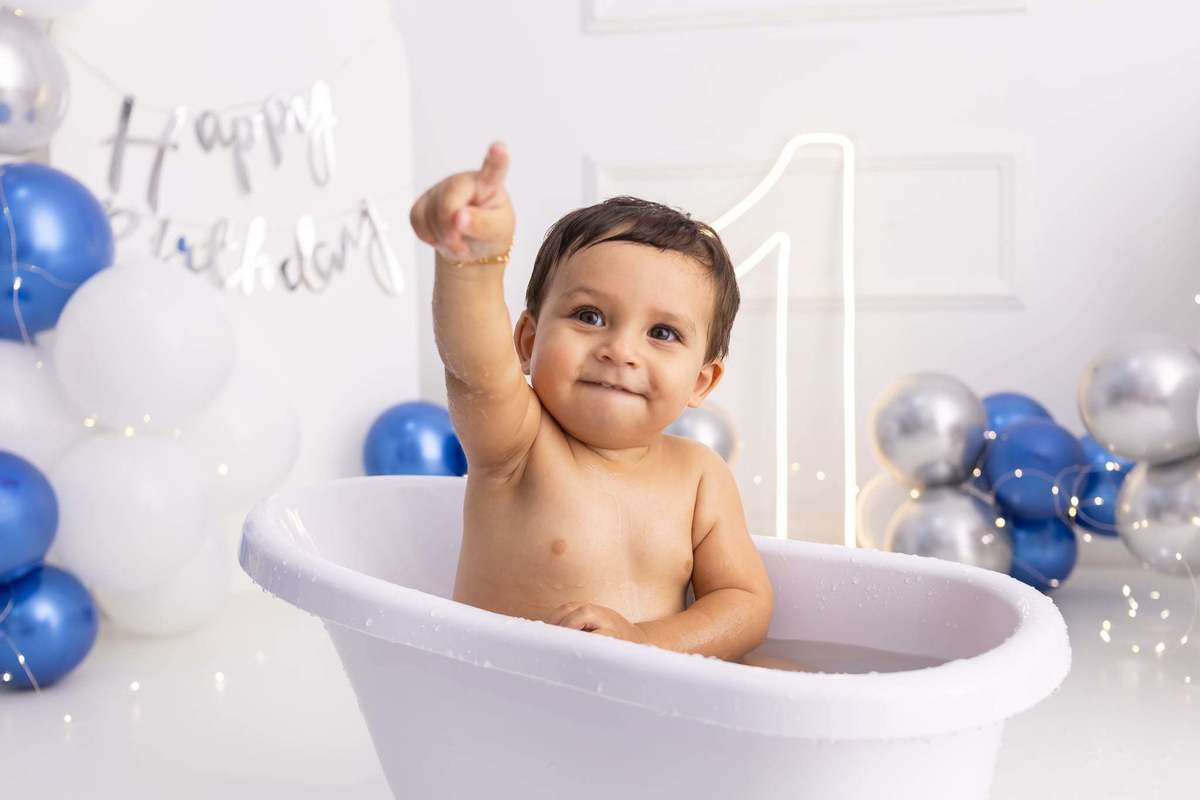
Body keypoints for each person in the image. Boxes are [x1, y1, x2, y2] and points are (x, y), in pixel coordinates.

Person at [410, 141, 790, 667]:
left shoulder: (701, 476)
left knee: (786, 671)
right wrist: (472, 262)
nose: (620, 350)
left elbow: (744, 603)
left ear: (702, 381)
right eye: (589, 316)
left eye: (662, 332)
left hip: (652, 702)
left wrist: (644, 643)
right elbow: (474, 367)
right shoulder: (519, 442)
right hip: (514, 697)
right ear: (527, 342)